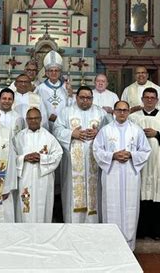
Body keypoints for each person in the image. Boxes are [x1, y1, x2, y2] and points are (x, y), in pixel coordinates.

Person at [93, 100, 151, 250]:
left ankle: (129, 247)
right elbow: (97, 150)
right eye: (119, 110)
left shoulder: (136, 130)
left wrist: (131, 155)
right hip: (111, 174)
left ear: (129, 111)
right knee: (110, 207)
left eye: (125, 110)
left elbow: (146, 151)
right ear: (114, 111)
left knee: (130, 209)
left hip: (131, 175)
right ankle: (110, 246)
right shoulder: (105, 130)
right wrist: (112, 156)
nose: (122, 113)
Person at [54, 86, 108, 223]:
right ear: (76, 98)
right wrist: (72, 133)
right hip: (72, 163)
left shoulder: (100, 113)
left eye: (88, 98)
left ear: (92, 99)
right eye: (82, 97)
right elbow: (57, 129)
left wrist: (99, 133)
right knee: (73, 193)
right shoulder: (66, 112)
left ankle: (93, 225)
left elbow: (110, 131)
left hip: (94, 161)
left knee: (94, 192)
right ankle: (73, 226)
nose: (85, 101)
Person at [129, 87, 160, 239]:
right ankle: (141, 231)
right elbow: (128, 136)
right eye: (146, 97)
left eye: (152, 97)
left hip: (159, 161)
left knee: (157, 194)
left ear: (157, 100)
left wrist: (158, 134)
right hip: (140, 163)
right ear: (142, 99)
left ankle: (157, 231)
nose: (149, 100)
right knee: (141, 195)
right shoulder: (134, 117)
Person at [13, 108, 63, 223]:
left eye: (36, 118)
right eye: (30, 118)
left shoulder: (49, 137)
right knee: (25, 206)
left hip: (43, 179)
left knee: (42, 206)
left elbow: (58, 154)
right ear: (26, 120)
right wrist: (24, 158)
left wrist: (42, 158)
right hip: (25, 177)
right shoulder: (19, 137)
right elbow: (11, 157)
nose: (33, 121)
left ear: (40, 119)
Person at [36, 51, 73, 131]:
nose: (54, 73)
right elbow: (37, 106)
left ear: (60, 72)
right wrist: (48, 116)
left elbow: (70, 106)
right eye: (51, 71)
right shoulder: (40, 88)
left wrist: (70, 94)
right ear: (46, 73)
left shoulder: (65, 87)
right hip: (45, 124)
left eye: (56, 70)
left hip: (62, 124)